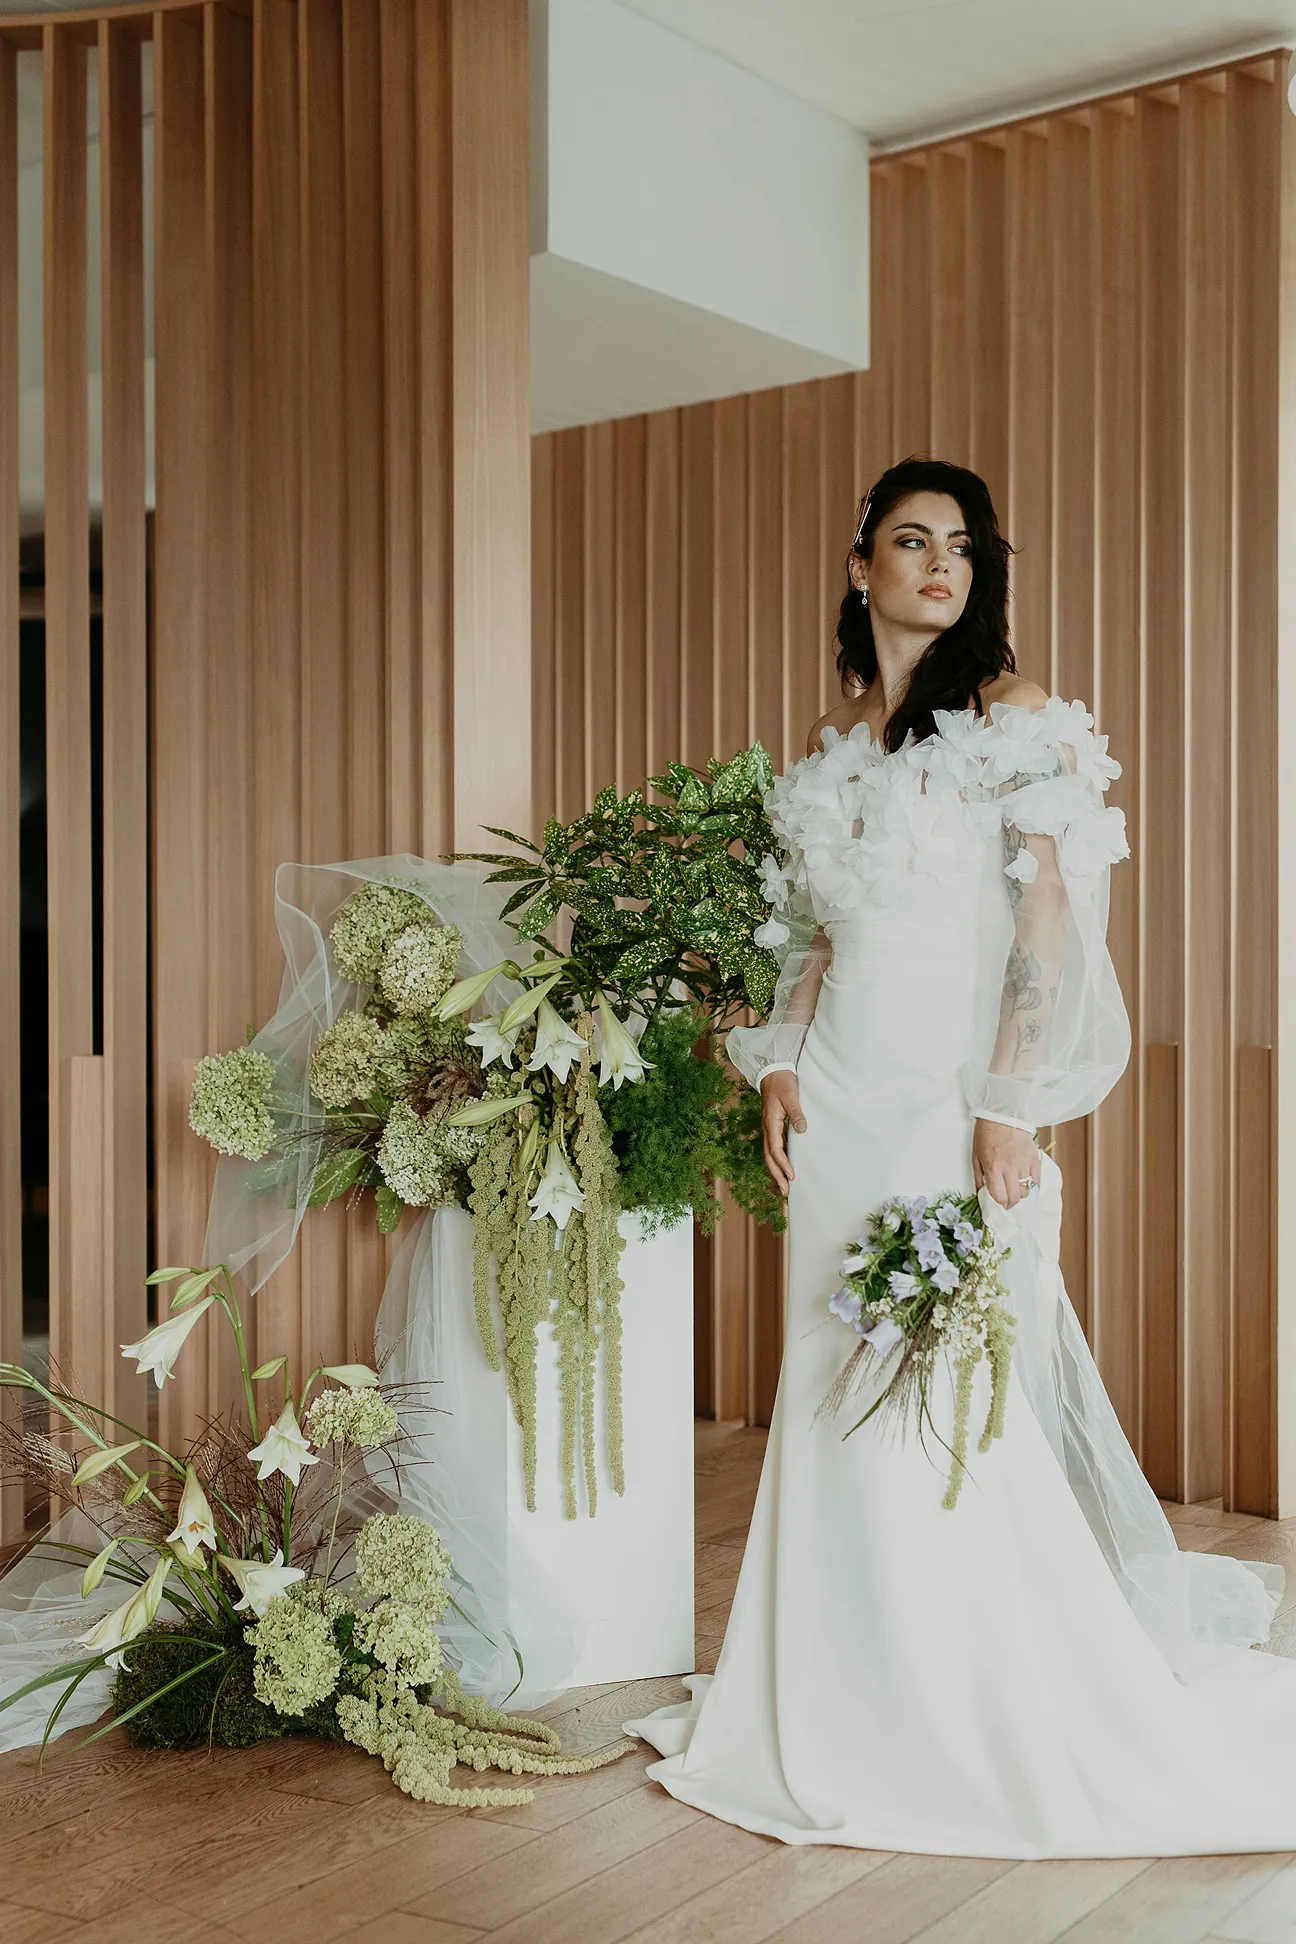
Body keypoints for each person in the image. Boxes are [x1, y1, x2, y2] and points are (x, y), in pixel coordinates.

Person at [624, 456, 1296, 1859]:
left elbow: (1046, 921)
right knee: (828, 1371)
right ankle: (821, 1686)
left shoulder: (1016, 716)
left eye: (966, 547)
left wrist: (1008, 1100)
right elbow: (815, 934)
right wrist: (782, 1059)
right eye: (913, 541)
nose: (944, 564)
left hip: (946, 1101)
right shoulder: (836, 734)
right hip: (844, 1095)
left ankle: (958, 1698)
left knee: (944, 1386)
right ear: (860, 560)